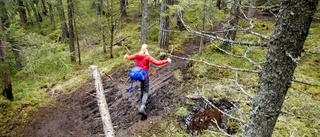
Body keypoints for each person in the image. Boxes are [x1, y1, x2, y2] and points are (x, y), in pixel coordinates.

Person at [124, 44, 171, 116]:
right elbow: (157, 62)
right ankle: (143, 106)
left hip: (138, 75)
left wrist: (126, 56)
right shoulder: (147, 57)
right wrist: (167, 60)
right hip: (144, 76)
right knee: (146, 90)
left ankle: (141, 98)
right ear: (147, 49)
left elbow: (129, 57)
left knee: (142, 86)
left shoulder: (137, 55)